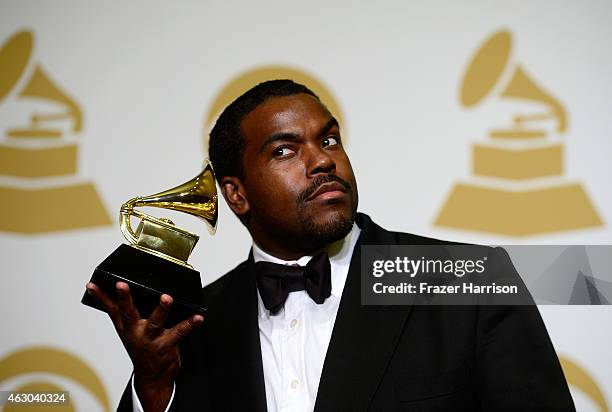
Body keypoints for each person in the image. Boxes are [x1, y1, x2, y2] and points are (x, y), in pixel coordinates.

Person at [86, 80, 575, 411]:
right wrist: (153, 385)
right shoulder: (195, 324)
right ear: (236, 194)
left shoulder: (468, 280)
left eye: (330, 140)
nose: (321, 161)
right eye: (285, 150)